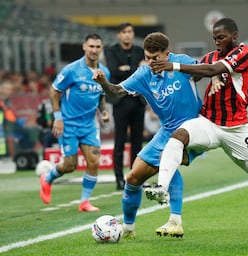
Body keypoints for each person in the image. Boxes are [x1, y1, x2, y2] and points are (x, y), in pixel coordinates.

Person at [145, 18, 248, 233]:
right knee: (179, 135)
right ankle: (162, 188)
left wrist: (176, 66)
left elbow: (212, 69)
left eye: (221, 37)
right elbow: (200, 70)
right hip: (209, 123)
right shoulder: (212, 56)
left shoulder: (244, 53)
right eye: (214, 38)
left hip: (235, 129)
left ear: (235, 36)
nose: (217, 42)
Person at [93, 32, 203, 238]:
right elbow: (115, 92)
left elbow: (204, 70)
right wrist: (103, 82)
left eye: (156, 58)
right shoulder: (144, 74)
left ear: (167, 55)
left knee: (166, 159)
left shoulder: (181, 63)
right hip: (167, 130)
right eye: (148, 57)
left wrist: (213, 79)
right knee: (133, 178)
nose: (151, 62)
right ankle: (127, 229)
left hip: (193, 127)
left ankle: (175, 221)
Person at [39, 34, 111, 212]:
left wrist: (103, 111)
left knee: (93, 161)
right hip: (69, 124)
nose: (94, 50)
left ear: (101, 49)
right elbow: (54, 91)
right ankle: (47, 178)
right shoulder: (71, 70)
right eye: (91, 46)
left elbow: (101, 96)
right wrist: (58, 118)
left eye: (97, 47)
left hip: (89, 125)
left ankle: (84, 202)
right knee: (70, 166)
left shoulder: (104, 72)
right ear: (84, 47)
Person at [104, 22, 147, 190]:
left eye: (130, 31)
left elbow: (144, 71)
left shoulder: (139, 50)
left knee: (138, 142)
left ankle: (135, 177)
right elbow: (114, 71)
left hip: (138, 100)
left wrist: (127, 69)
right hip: (120, 101)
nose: (127, 35)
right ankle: (119, 179)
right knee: (119, 141)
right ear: (119, 34)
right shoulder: (111, 50)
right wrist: (135, 68)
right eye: (124, 32)